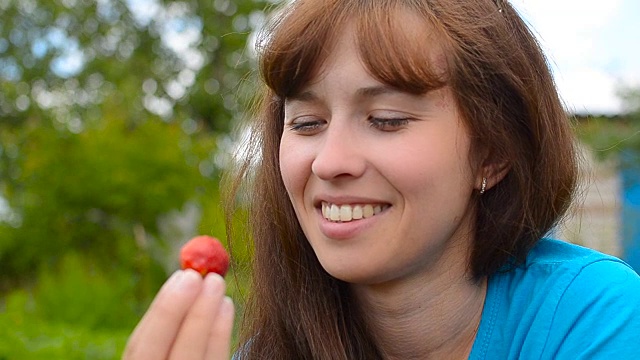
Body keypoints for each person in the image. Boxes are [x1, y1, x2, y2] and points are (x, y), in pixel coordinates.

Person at [123, 0, 640, 358]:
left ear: (493, 154)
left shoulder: (594, 319)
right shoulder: (268, 352)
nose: (329, 162)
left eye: (387, 120)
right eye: (306, 123)